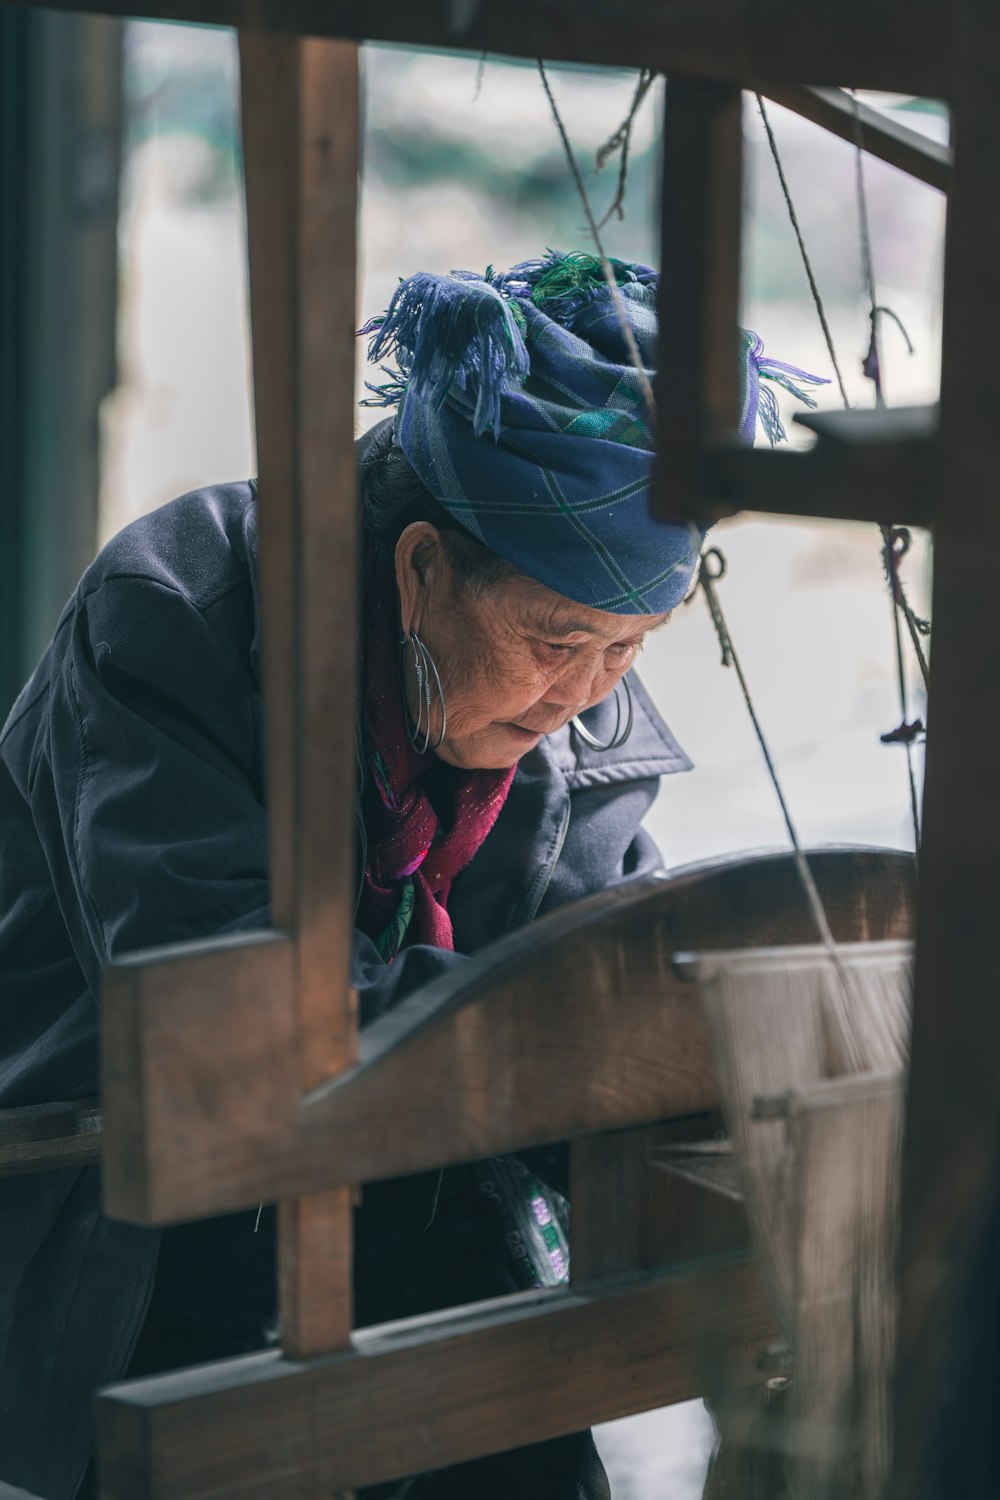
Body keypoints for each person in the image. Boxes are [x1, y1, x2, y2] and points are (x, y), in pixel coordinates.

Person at [0, 250, 824, 1499]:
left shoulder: (582, 718)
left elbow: (610, 994)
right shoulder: (172, 615)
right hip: (139, 1218)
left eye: (628, 648)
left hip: (427, 1193)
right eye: (557, 641)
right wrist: (570, 1040)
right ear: (422, 565)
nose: (586, 693)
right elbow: (225, 1025)